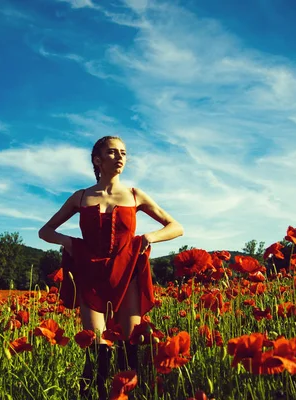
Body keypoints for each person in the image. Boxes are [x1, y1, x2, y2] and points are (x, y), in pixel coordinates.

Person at [38, 136, 183, 399]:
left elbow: (176, 227)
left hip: (127, 273)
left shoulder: (135, 194)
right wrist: (68, 242)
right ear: (97, 160)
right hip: (90, 272)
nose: (120, 157)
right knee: (97, 349)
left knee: (129, 348)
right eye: (113, 152)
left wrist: (149, 237)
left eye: (124, 153)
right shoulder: (81, 197)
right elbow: (45, 231)